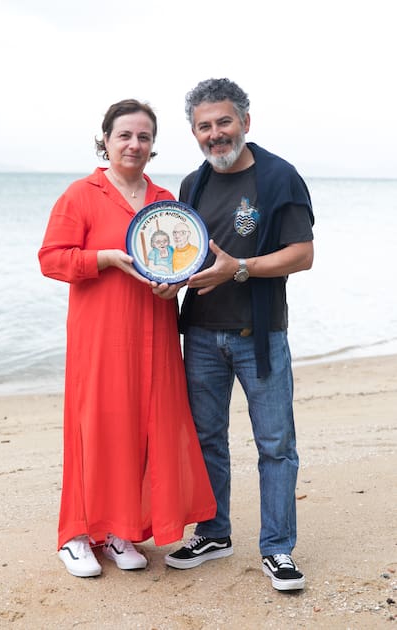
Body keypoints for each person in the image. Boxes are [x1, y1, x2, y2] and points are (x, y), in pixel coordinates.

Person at [38, 99, 216, 578]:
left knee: (142, 427)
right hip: (100, 333)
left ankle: (120, 530)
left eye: (144, 137)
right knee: (93, 424)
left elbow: (181, 260)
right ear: (107, 140)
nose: (134, 144)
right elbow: (51, 259)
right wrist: (103, 259)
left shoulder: (164, 202)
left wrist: (176, 281)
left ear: (153, 145)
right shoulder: (82, 194)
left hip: (154, 329)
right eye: (125, 136)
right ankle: (75, 534)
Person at [162, 78, 314, 591]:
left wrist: (240, 268)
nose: (215, 134)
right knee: (207, 440)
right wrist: (169, 281)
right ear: (194, 133)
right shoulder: (192, 185)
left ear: (245, 122)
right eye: (204, 126)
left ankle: (277, 549)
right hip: (201, 334)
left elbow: (302, 254)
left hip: (260, 335)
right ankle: (214, 531)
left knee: (275, 445)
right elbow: (191, 256)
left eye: (223, 122)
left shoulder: (279, 177)